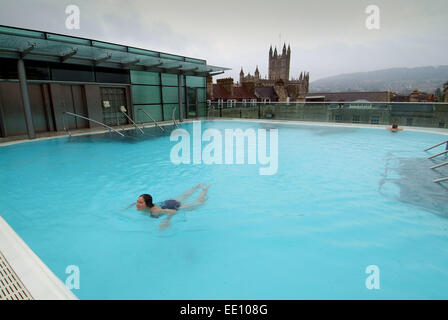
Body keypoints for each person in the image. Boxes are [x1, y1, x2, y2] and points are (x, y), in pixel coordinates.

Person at [136, 184, 210, 230]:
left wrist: (166, 221)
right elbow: (134, 204)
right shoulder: (142, 205)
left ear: (147, 204)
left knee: (198, 204)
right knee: (184, 196)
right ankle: (198, 186)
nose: (137, 204)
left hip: (174, 206)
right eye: (137, 201)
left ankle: (204, 190)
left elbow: (173, 211)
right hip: (168, 202)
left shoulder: (154, 210)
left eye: (140, 203)